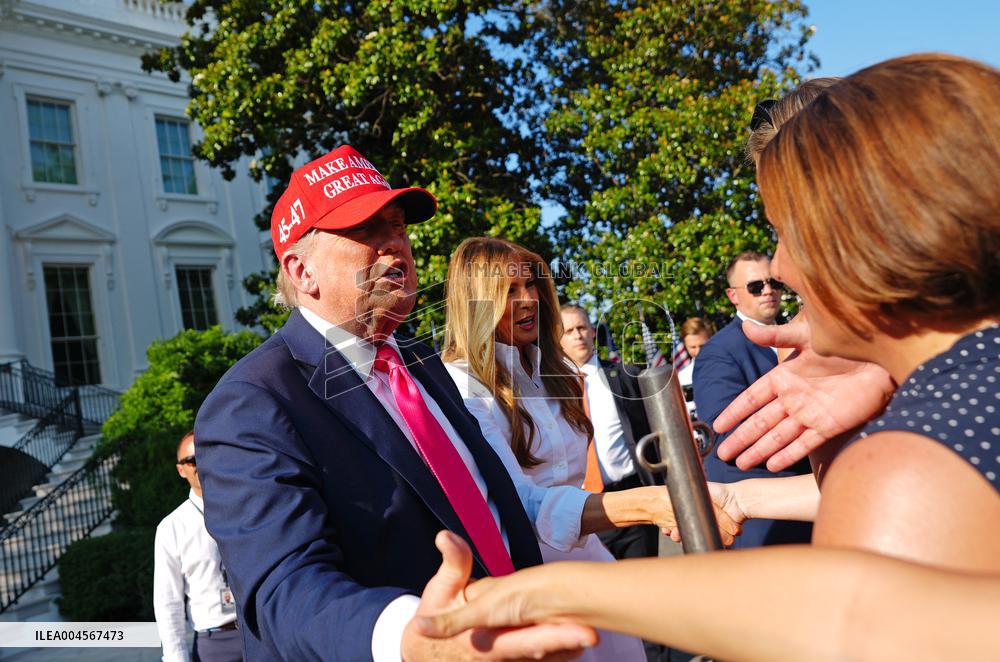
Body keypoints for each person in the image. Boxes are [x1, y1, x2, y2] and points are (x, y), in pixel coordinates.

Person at [416, 53, 1000, 658]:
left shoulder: (910, 466)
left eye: (786, 232)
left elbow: (847, 619)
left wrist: (540, 595)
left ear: (864, 240)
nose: (780, 269)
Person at [194, 146, 597, 662]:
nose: (395, 245)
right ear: (301, 271)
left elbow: (495, 499)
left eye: (398, 226)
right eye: (365, 231)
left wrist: (645, 505)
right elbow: (284, 589)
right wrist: (411, 638)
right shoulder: (250, 403)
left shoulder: (418, 358)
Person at [441, 237, 740, 662]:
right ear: (475, 301)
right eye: (509, 291)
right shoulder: (461, 383)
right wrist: (650, 504)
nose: (528, 300)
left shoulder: (553, 371)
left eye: (531, 285)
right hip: (530, 579)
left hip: (589, 556)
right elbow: (520, 503)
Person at [693, 252, 812, 548]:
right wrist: (810, 422)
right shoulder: (719, 351)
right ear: (733, 295)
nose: (768, 291)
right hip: (760, 508)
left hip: (807, 496)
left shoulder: (798, 335)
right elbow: (724, 433)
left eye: (773, 282)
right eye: (756, 286)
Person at [153, 432, 242, 662]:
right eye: (192, 460)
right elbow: (168, 602)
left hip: (259, 631)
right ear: (181, 470)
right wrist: (176, 657)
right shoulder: (171, 528)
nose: (199, 464)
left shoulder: (244, 505)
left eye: (204, 455)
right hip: (214, 644)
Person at [675, 317, 714, 394]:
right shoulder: (682, 378)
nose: (698, 352)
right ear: (685, 346)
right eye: (693, 347)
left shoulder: (729, 367)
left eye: (702, 346)